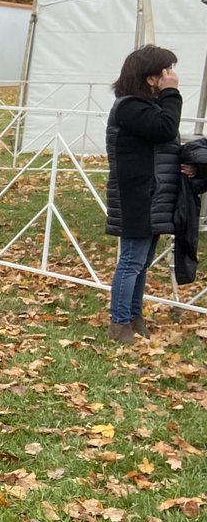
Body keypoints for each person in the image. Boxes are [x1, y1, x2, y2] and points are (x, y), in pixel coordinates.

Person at [104, 45, 182, 343]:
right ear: (151, 78)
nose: (172, 75)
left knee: (142, 262)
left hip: (152, 195)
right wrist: (172, 93)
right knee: (131, 262)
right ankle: (119, 324)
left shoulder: (144, 107)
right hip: (136, 195)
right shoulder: (129, 107)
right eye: (166, 71)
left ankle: (134, 317)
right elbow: (165, 129)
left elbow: (162, 143)